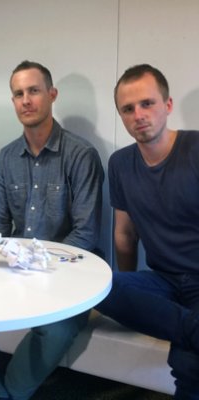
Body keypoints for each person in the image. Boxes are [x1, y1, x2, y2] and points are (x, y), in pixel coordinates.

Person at [0, 60, 104, 400]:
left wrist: (37, 266)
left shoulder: (81, 155)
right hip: (14, 269)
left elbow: (86, 234)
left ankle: (7, 394)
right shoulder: (5, 159)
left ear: (52, 94)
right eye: (18, 94)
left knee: (55, 329)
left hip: (70, 276)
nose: (26, 100)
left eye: (33, 91)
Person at [95, 64, 199, 399]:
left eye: (147, 103)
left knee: (189, 363)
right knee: (98, 287)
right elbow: (125, 235)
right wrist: (132, 293)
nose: (138, 114)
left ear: (167, 106)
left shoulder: (195, 149)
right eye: (128, 109)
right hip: (163, 280)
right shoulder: (121, 163)